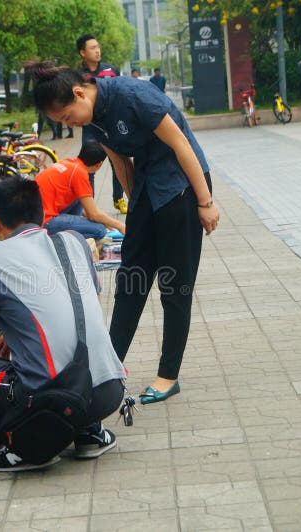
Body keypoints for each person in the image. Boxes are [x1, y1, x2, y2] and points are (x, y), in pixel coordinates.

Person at [31, 61, 219, 406]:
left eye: (68, 117)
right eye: (62, 123)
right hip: (148, 190)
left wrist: (205, 201)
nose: (70, 124)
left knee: (175, 286)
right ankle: (107, 367)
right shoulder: (94, 120)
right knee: (131, 280)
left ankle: (168, 375)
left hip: (181, 186)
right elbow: (121, 165)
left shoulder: (134, 96)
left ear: (78, 93)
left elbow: (181, 144)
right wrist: (138, 215)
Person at [0, 177, 125, 472]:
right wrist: (13, 332)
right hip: (109, 391)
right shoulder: (74, 242)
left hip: (49, 402)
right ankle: (88, 432)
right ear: (41, 212)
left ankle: (24, 441)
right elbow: (70, 305)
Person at [77, 33, 127, 215]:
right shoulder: (78, 76)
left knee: (119, 163)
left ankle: (119, 199)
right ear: (82, 52)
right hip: (91, 127)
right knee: (88, 166)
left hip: (112, 125)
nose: (97, 51)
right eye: (92, 48)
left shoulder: (111, 70)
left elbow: (120, 93)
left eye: (98, 47)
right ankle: (89, 205)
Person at [37, 141, 126, 240]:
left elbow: (89, 211)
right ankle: (59, 241)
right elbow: (93, 214)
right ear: (99, 164)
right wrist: (120, 226)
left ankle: (68, 229)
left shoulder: (68, 162)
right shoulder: (79, 173)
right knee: (99, 230)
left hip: (35, 216)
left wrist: (105, 221)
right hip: (45, 222)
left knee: (79, 199)